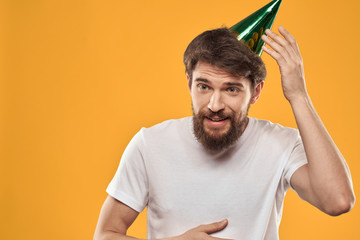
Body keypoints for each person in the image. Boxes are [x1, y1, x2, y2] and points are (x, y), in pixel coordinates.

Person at [93, 26, 355, 240]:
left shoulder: (280, 144)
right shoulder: (150, 145)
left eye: (231, 89)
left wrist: (298, 96)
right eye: (204, 86)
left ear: (256, 92)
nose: (214, 105)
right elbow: (105, 235)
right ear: (188, 82)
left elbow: (338, 200)